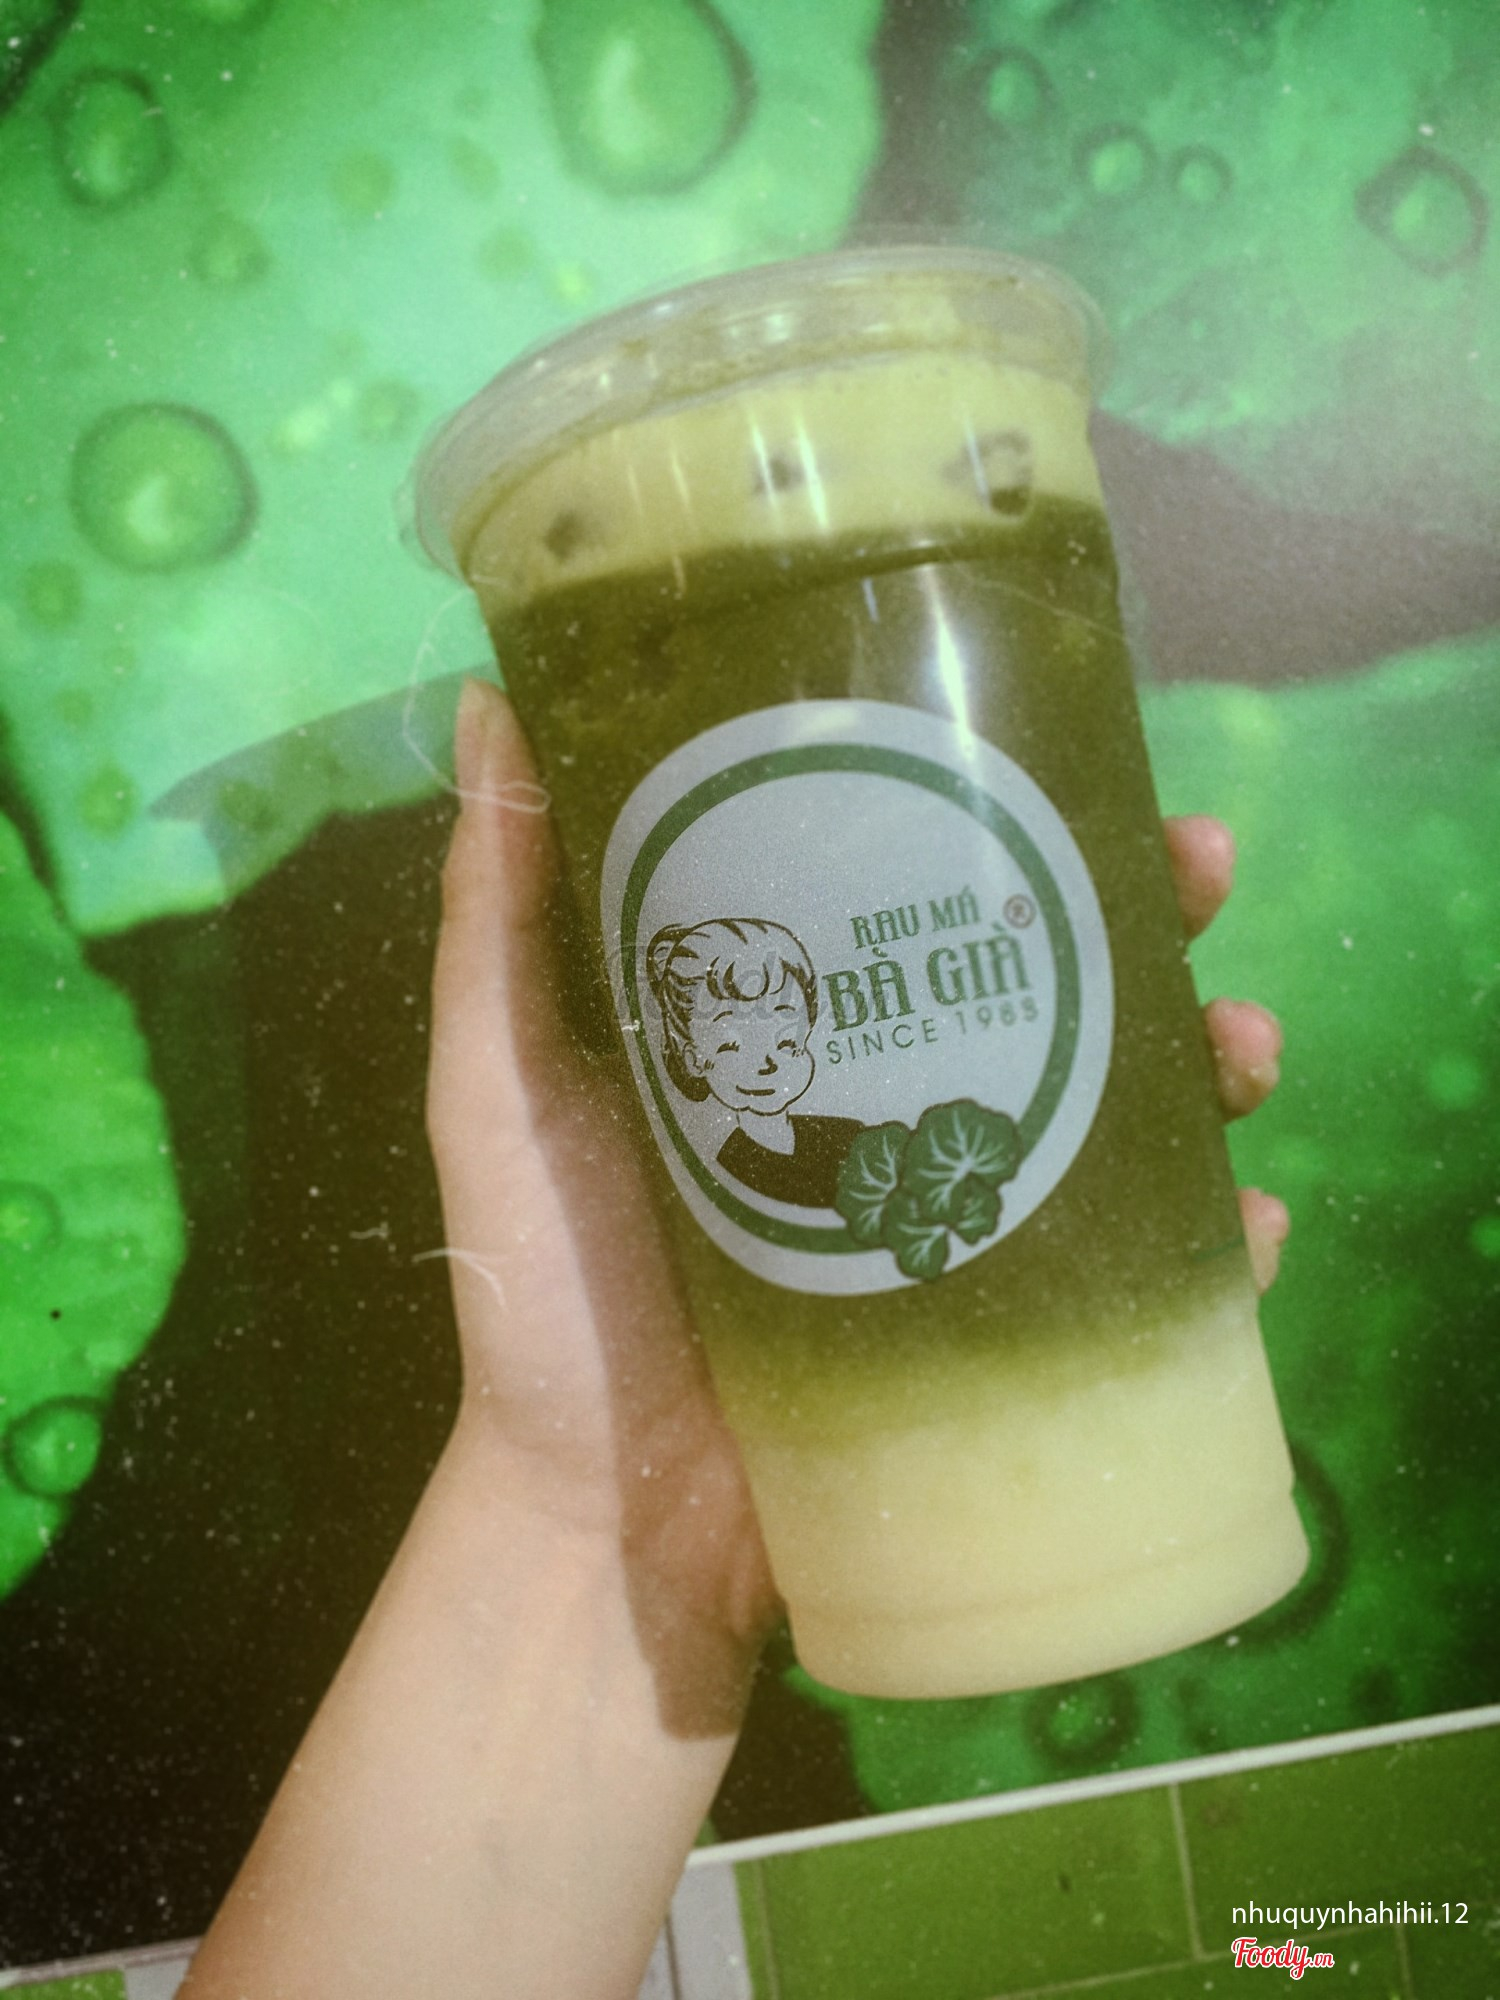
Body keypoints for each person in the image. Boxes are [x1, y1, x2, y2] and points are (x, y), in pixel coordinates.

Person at [180, 678, 1290, 2000]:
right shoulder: (787, 1157)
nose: (762, 1050)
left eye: (781, 1020)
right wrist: (596, 1502)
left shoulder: (846, 1139)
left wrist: (593, 1517)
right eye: (728, 1030)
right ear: (690, 1054)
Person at [645, 916, 862, 1207]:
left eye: (786, 1042)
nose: (767, 1063)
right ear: (694, 1059)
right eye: (733, 1046)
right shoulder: (730, 1167)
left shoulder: (850, 1137)